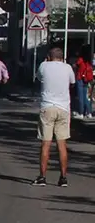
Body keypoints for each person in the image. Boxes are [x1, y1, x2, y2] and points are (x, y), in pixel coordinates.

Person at [35, 45, 74, 187]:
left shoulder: (44, 66)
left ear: (49, 57)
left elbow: (38, 78)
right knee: (62, 144)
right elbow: (72, 82)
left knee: (46, 143)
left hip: (47, 107)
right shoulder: (68, 67)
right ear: (62, 57)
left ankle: (42, 177)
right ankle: (63, 177)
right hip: (63, 108)